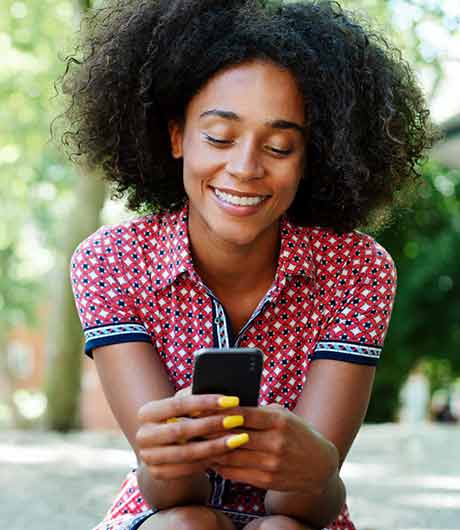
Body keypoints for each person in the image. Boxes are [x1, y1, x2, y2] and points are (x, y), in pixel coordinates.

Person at [55, 1, 436, 529]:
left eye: (280, 146)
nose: (244, 168)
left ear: (310, 159)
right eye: (218, 137)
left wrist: (315, 468)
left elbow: (306, 506)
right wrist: (168, 453)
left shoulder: (356, 269)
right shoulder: (112, 261)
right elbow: (170, 492)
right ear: (175, 137)